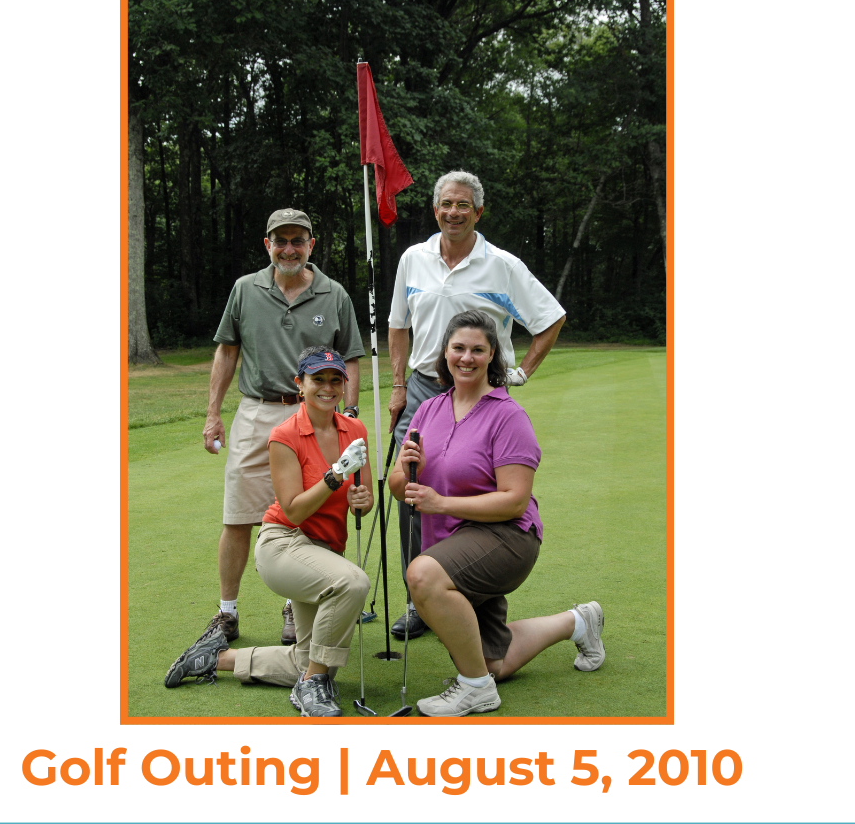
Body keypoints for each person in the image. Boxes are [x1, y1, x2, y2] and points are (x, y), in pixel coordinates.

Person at [387, 309, 605, 716]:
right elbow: (402, 489)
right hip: (453, 543)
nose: (466, 358)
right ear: (445, 353)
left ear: (492, 356)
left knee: (421, 574)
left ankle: (475, 690)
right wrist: (404, 466)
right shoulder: (430, 409)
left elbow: (514, 500)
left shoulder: (508, 416)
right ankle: (578, 622)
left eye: (477, 350)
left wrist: (442, 503)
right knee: (492, 662)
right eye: (458, 348)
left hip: (506, 537)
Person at [387, 171, 567, 639]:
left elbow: (550, 317)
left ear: (478, 212)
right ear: (435, 209)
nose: (454, 212)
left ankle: (466, 587)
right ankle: (420, 598)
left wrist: (519, 370)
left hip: (482, 390)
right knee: (408, 489)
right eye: (447, 204)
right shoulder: (413, 258)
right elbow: (398, 325)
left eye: (464, 205)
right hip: (424, 389)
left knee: (475, 485)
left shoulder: (502, 264)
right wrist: (397, 384)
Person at [165, 347, 374, 716]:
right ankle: (310, 687)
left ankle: (216, 658)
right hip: (283, 544)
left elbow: (364, 497)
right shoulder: (284, 435)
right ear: (300, 384)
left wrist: (360, 498)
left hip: (324, 553)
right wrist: (335, 476)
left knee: (309, 659)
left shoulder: (354, 429)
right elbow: (293, 509)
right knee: (353, 584)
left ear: (343, 385)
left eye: (335, 380)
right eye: (317, 379)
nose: (327, 387)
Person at [200, 208, 366, 648]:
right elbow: (226, 352)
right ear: (267, 245)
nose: (289, 248)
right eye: (281, 240)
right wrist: (213, 413)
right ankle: (227, 612)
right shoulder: (244, 289)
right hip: (257, 410)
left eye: (298, 240)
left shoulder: (334, 294)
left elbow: (349, 356)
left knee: (308, 513)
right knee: (237, 515)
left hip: (315, 414)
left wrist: (348, 412)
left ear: (312, 245)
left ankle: (296, 603)